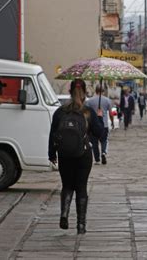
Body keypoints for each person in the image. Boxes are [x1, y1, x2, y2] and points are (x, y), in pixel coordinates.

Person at [48, 79, 104, 235]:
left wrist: (51, 154)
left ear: (69, 92)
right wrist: (99, 117)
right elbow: (100, 134)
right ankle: (81, 225)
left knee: (67, 185)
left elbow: (53, 135)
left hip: (64, 155)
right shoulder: (88, 112)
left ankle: (64, 214)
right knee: (81, 188)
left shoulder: (60, 112)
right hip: (83, 155)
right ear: (85, 93)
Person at [85, 84, 114, 165]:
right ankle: (103, 153)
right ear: (103, 91)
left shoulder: (90, 101)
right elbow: (111, 113)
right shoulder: (107, 100)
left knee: (94, 143)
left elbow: (86, 113)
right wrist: (112, 122)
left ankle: (97, 159)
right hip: (104, 124)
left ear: (95, 91)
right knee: (104, 140)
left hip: (93, 125)